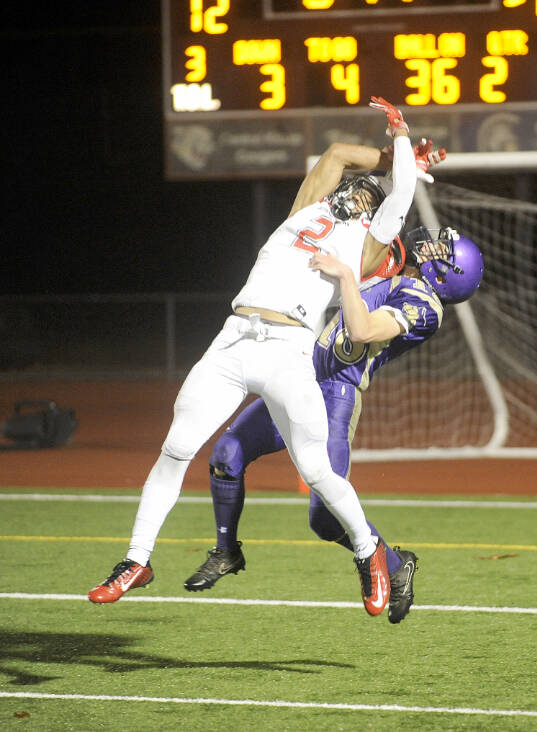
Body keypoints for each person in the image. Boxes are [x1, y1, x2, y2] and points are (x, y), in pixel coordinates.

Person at [88, 96, 421, 616]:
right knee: (176, 448)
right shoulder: (306, 210)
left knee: (315, 467)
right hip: (234, 340)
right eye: (357, 188)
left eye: (365, 197)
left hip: (289, 350)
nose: (356, 195)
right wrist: (383, 154)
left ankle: (370, 551)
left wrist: (401, 136)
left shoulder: (366, 244)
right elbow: (335, 153)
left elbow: (401, 191)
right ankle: (137, 559)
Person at [183, 226, 485, 623]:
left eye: (441, 250)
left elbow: (361, 331)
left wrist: (346, 275)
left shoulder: (424, 304)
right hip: (298, 376)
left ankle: (394, 565)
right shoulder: (396, 274)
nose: (430, 244)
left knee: (323, 519)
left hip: (335, 397)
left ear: (446, 275)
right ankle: (226, 551)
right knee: (227, 454)